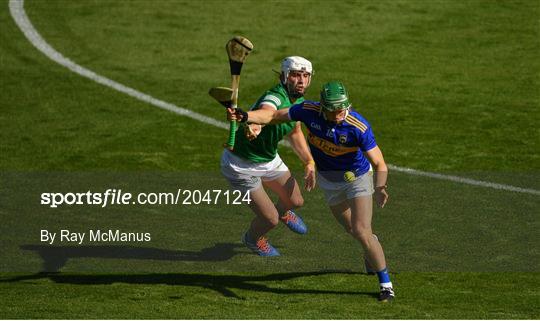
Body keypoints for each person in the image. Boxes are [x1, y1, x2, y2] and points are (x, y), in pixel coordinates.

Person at [227, 81, 395, 301]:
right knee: (355, 232)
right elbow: (273, 116)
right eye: (333, 110)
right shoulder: (308, 111)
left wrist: (380, 187)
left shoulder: (357, 126)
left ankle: (386, 284)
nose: (338, 115)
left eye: (341, 109)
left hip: (357, 178)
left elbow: (380, 163)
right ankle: (370, 249)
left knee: (361, 229)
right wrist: (245, 116)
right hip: (330, 182)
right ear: (323, 107)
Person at [220, 56, 316, 257]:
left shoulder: (299, 101)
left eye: (305, 76)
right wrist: (251, 121)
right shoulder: (274, 97)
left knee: (295, 201)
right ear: (284, 76)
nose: (301, 81)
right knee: (269, 219)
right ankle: (253, 239)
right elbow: (267, 113)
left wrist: (308, 161)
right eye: (296, 75)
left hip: (269, 159)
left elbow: (295, 131)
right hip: (241, 166)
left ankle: (283, 212)